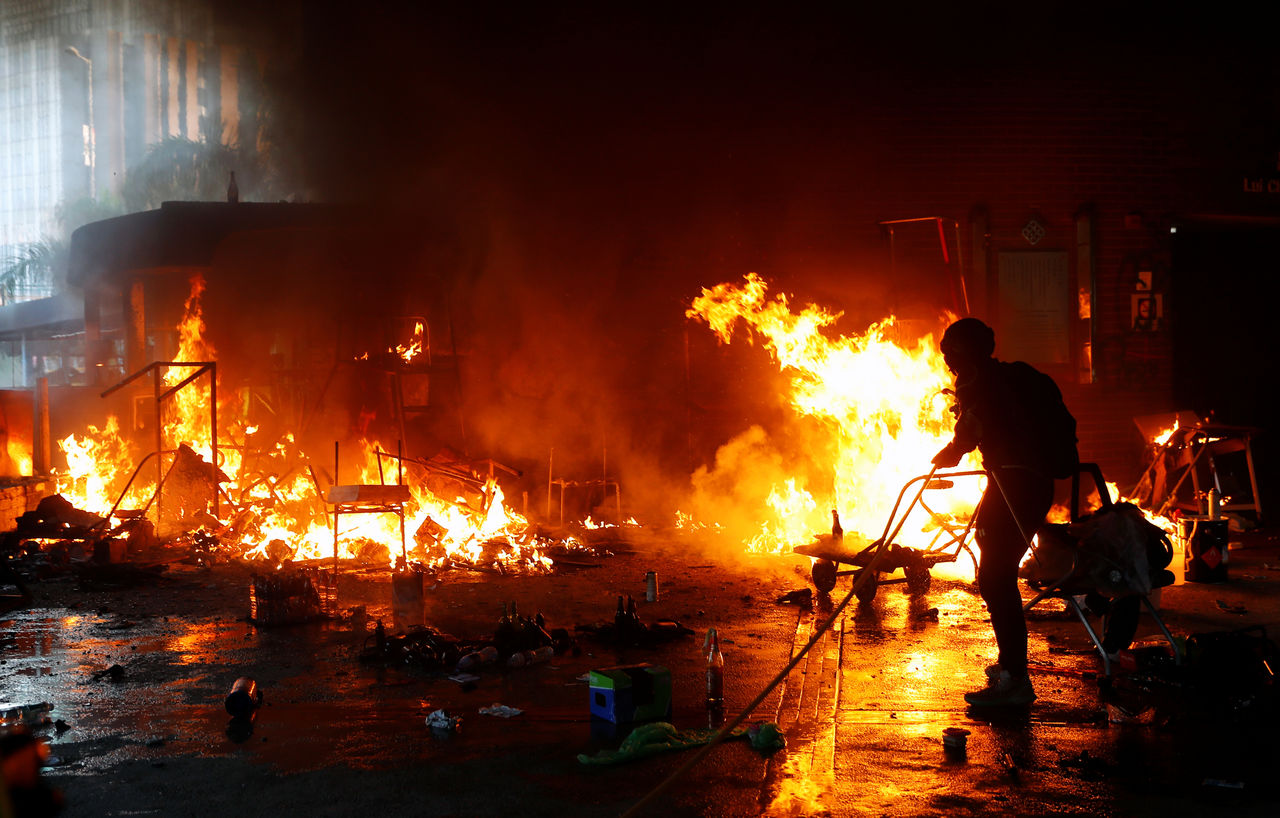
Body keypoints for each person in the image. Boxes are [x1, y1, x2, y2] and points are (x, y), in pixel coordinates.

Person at [931, 318, 1077, 707]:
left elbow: (968, 434)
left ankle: (1015, 679)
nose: (948, 361)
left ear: (961, 353)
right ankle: (1010, 668)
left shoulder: (979, 382)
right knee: (996, 572)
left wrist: (948, 453)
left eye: (951, 353)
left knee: (996, 576)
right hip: (1032, 483)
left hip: (1015, 485)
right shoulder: (1019, 377)